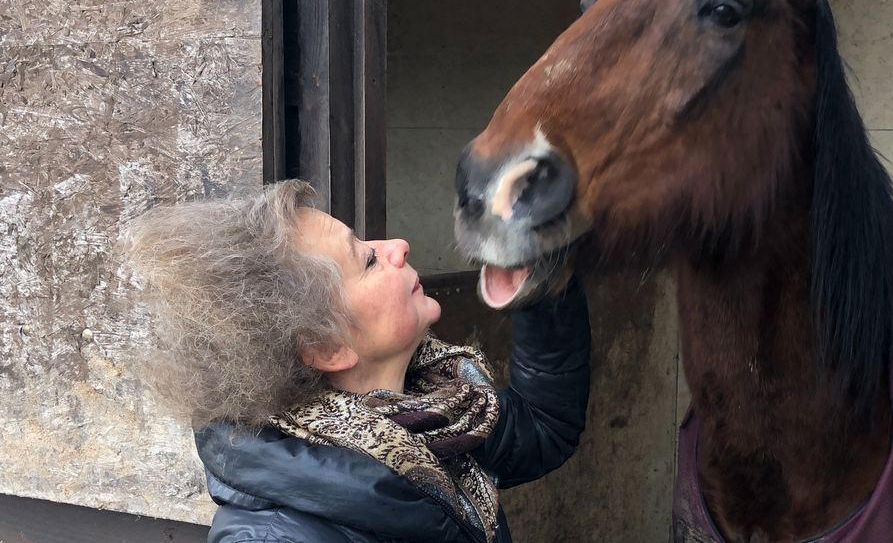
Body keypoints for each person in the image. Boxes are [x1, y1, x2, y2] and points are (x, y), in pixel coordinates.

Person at [122, 179, 591, 543]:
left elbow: (543, 428)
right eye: (367, 260)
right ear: (327, 349)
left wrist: (535, 267)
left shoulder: (434, 411)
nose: (397, 246)